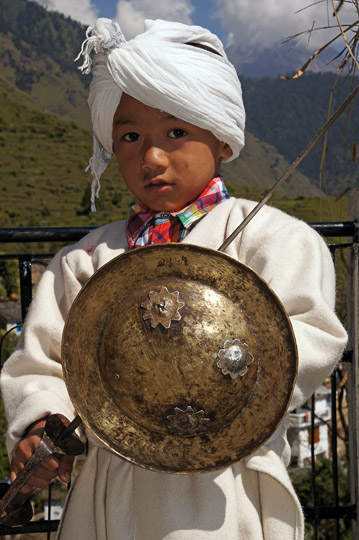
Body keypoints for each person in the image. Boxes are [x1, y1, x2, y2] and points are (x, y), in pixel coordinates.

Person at [1, 17, 347, 540]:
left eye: (177, 132)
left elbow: (312, 333)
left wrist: (214, 372)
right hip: (111, 489)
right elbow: (42, 361)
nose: (152, 156)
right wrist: (38, 423)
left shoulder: (275, 239)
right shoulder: (88, 259)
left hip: (226, 489)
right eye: (131, 136)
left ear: (222, 137)